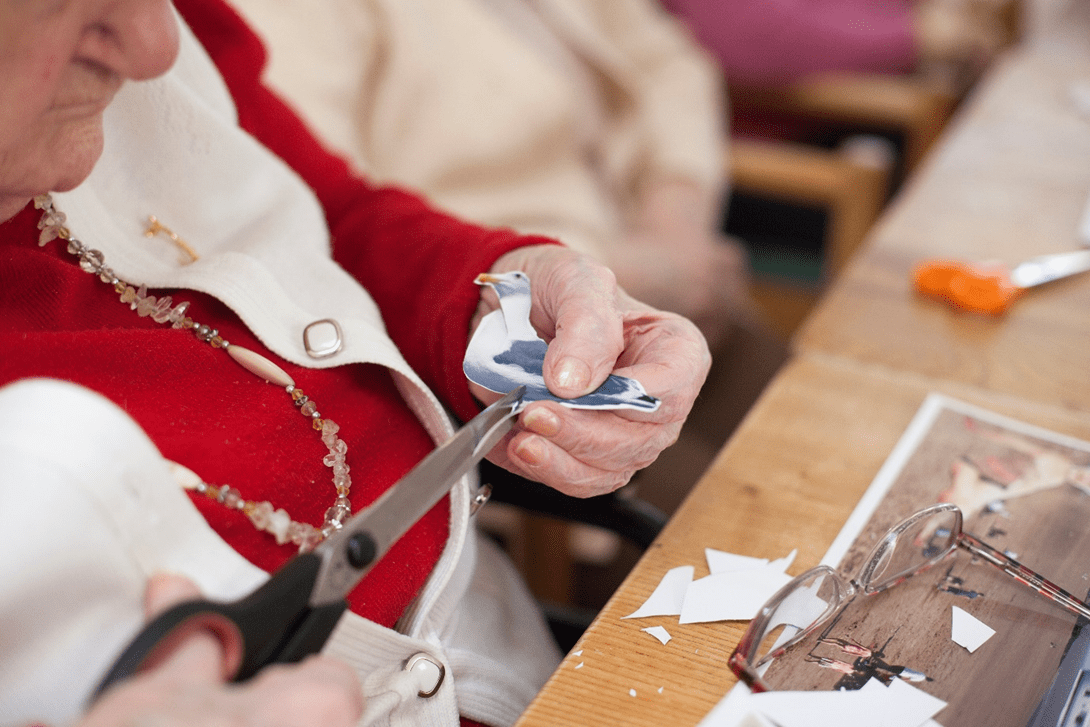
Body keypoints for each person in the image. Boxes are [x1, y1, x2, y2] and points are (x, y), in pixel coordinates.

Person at [0, 1, 710, 726]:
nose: (157, 49)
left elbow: (321, 208)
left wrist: (491, 292)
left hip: (538, 663)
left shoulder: (145, 48)